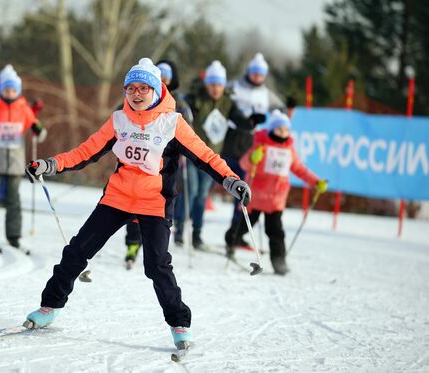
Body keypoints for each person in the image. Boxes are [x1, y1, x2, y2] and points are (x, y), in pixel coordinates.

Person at [23, 58, 251, 349]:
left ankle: (180, 324)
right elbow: (86, 151)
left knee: (156, 265)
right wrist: (50, 164)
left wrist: (232, 181)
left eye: (144, 88)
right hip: (117, 197)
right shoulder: (120, 118)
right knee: (78, 250)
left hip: (154, 202)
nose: (137, 93)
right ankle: (49, 307)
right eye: (131, 88)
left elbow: (206, 157)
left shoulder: (173, 122)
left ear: (156, 91)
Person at [226, 110, 327, 275]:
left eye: (286, 130)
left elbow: (300, 169)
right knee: (243, 225)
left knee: (276, 232)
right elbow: (244, 164)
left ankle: (279, 262)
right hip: (257, 197)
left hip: (276, 200)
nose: (283, 133)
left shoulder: (289, 150)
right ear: (272, 129)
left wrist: (316, 182)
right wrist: (253, 158)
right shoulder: (261, 144)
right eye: (279, 129)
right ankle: (230, 242)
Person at [173, 60, 257, 250]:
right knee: (190, 191)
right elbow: (182, 107)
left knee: (202, 196)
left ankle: (196, 234)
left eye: (219, 84)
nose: (215, 89)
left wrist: (250, 123)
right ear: (207, 84)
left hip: (211, 158)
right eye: (212, 84)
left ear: (223, 85)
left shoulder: (228, 102)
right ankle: (178, 230)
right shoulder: (197, 98)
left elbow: (238, 119)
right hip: (192, 153)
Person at [123, 59, 193, 268]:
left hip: (167, 162)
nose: (163, 80)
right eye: (160, 76)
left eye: (166, 77)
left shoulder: (178, 102)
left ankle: (158, 251)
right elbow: (124, 112)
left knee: (163, 203)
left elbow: (188, 126)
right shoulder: (142, 94)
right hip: (139, 159)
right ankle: (133, 244)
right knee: (131, 204)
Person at [224, 53, 290, 248]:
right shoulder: (235, 86)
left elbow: (281, 110)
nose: (256, 77)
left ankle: (236, 233)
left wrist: (285, 114)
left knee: (242, 191)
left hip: (250, 143)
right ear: (249, 72)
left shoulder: (266, 93)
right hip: (231, 140)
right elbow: (220, 96)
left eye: (260, 74)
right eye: (254, 73)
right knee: (218, 183)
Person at [0, 65, 46, 249]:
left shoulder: (23, 108)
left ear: (18, 90)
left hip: (15, 163)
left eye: (13, 89)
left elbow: (36, 127)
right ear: (1, 89)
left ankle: (14, 235)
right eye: (6, 89)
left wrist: (37, 129)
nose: (9, 92)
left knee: (13, 201)